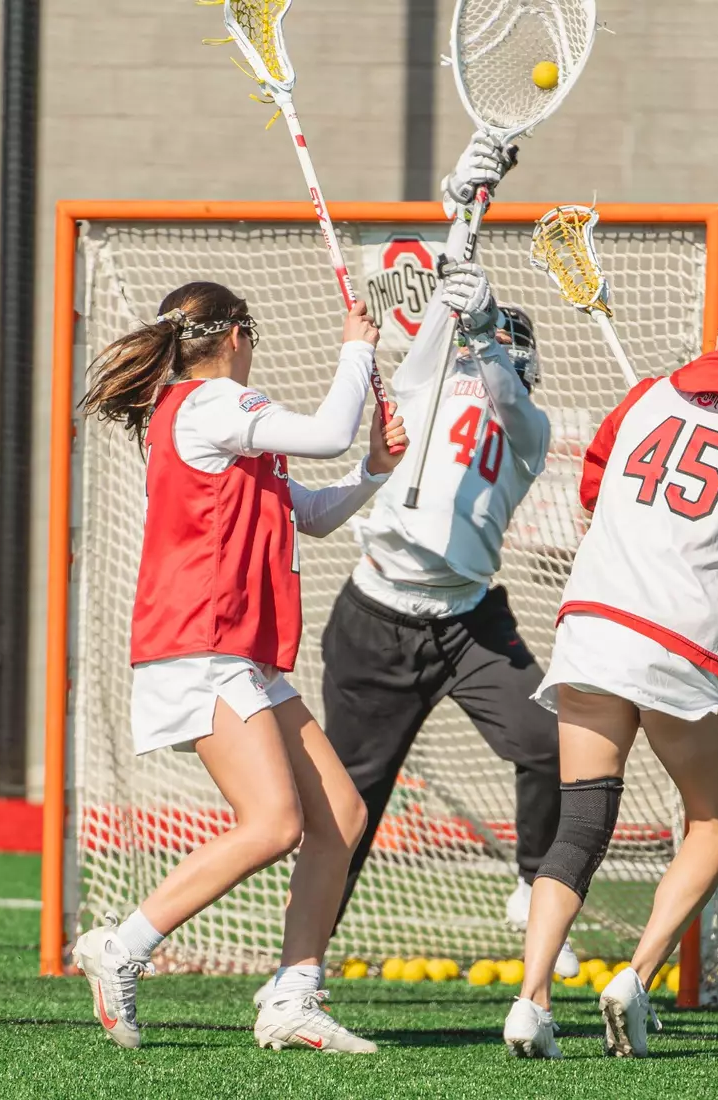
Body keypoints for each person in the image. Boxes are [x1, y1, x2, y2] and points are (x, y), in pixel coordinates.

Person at [501, 282, 718, 1059]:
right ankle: (635, 979)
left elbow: (594, 491)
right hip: (682, 644)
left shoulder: (648, 397)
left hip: (592, 626)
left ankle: (530, 1002)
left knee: (582, 822)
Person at [71, 281, 407, 1055]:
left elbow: (311, 513)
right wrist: (358, 342)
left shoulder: (220, 420)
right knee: (274, 823)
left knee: (341, 820)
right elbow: (325, 430)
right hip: (201, 644)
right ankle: (124, 946)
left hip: (237, 653)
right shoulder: (215, 405)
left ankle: (293, 995)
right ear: (237, 335)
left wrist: (377, 468)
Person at [317, 133, 579, 980]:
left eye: (507, 340)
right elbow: (444, 301)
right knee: (351, 810)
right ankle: (300, 971)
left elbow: (503, 388)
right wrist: (465, 205)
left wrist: (491, 334)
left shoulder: (526, 423)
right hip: (377, 617)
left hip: (468, 618)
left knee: (549, 743)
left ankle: (533, 883)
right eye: (490, 335)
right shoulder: (428, 375)